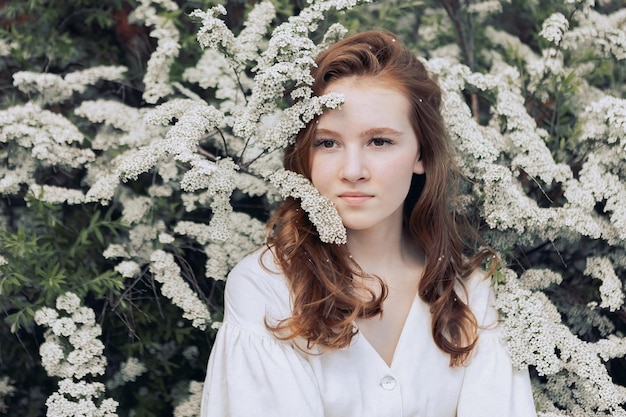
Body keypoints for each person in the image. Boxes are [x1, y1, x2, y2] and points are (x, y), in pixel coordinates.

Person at [200, 30, 537, 417]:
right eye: (327, 143)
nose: (353, 170)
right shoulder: (267, 289)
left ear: (421, 154)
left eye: (379, 141)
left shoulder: (472, 292)